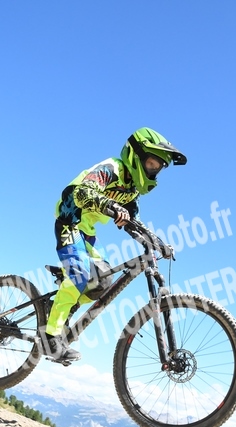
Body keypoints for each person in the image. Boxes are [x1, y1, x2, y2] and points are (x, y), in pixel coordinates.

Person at [44, 126, 187, 362]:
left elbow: (134, 223)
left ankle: (62, 307)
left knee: (103, 280)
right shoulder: (112, 168)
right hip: (70, 222)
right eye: (152, 163)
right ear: (136, 156)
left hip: (87, 231)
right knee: (80, 274)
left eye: (158, 168)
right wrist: (111, 206)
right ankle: (50, 335)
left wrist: (156, 242)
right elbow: (82, 193)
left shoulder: (131, 190)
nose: (154, 171)